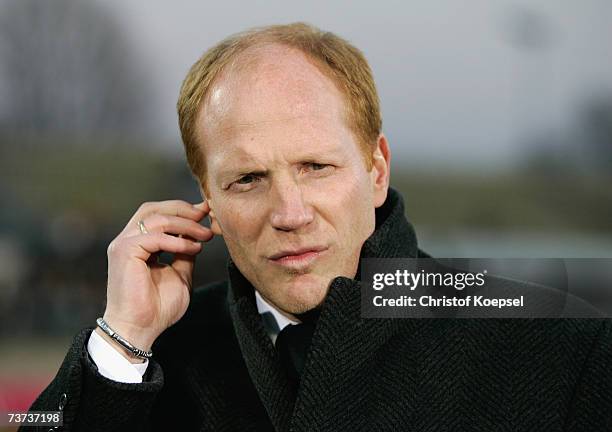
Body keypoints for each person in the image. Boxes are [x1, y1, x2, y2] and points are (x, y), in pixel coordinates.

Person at [24, 23, 611, 431]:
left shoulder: (559, 342)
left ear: (376, 170)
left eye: (316, 167)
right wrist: (121, 339)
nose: (290, 213)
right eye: (248, 179)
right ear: (207, 199)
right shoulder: (147, 357)